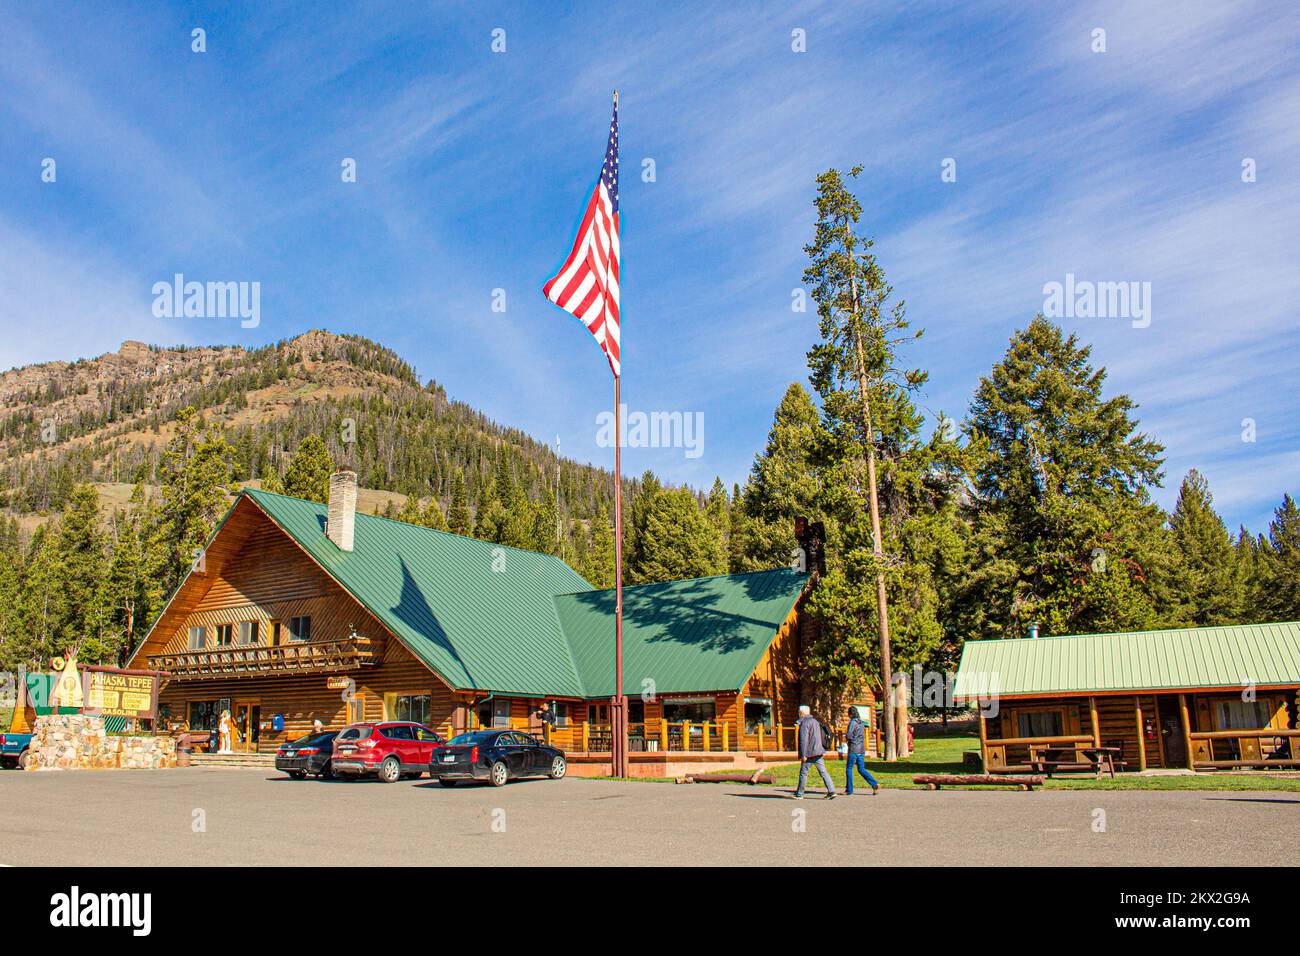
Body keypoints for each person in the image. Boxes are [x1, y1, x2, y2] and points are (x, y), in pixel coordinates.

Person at [794, 704, 835, 800]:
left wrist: (803, 754)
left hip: (809, 752)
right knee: (823, 771)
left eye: (799, 712)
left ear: (802, 713)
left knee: (804, 773)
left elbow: (803, 740)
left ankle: (800, 793)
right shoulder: (815, 722)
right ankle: (831, 791)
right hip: (819, 751)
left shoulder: (804, 723)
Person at [845, 706, 880, 795]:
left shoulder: (852, 722)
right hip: (861, 748)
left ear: (850, 714)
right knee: (861, 769)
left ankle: (849, 790)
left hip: (853, 748)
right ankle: (874, 784)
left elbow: (849, 735)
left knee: (849, 768)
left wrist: (847, 738)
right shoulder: (861, 723)